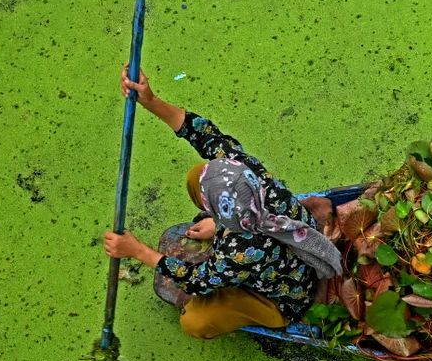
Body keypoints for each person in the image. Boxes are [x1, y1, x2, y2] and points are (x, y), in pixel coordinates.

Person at [100, 68, 341, 339]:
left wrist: (137, 251)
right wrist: (150, 100)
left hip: (287, 296)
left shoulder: (237, 253)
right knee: (197, 175)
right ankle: (221, 222)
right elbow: (204, 134)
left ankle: (272, 315)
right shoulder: (251, 172)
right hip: (278, 247)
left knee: (195, 321)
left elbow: (196, 281)